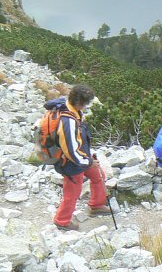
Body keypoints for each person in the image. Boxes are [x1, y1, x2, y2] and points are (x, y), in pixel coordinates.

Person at [50, 84, 109, 231]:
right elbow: (70, 150)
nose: (86, 106)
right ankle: (62, 221)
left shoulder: (72, 109)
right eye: (86, 103)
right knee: (72, 192)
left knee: (98, 175)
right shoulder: (68, 121)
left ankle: (96, 206)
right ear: (80, 103)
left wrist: (88, 159)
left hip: (81, 157)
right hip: (72, 162)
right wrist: (88, 161)